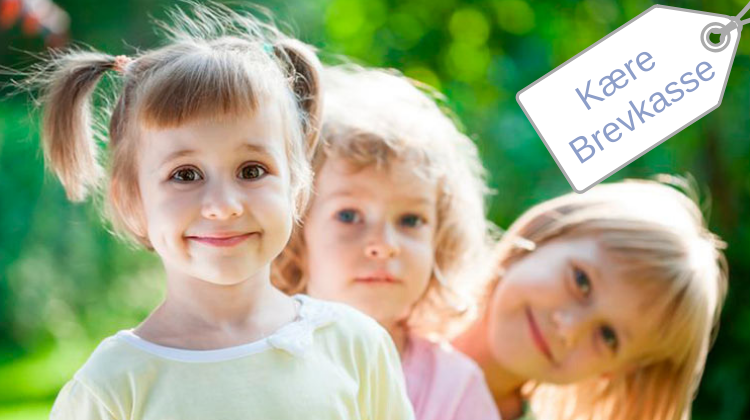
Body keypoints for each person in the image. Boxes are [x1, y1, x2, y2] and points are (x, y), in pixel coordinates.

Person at [28, 4, 414, 419]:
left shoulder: (355, 346)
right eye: (186, 174)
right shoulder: (113, 387)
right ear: (131, 200)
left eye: (252, 170)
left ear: (297, 185)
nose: (224, 205)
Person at [273, 64, 500, 420]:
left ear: (440, 240)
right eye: (349, 215)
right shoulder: (252, 354)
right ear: (297, 230)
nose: (384, 244)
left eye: (411, 220)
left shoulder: (455, 388)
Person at [453, 178, 728, 420]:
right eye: (581, 281)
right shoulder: (411, 298)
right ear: (549, 231)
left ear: (615, 370)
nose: (570, 328)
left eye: (608, 336)